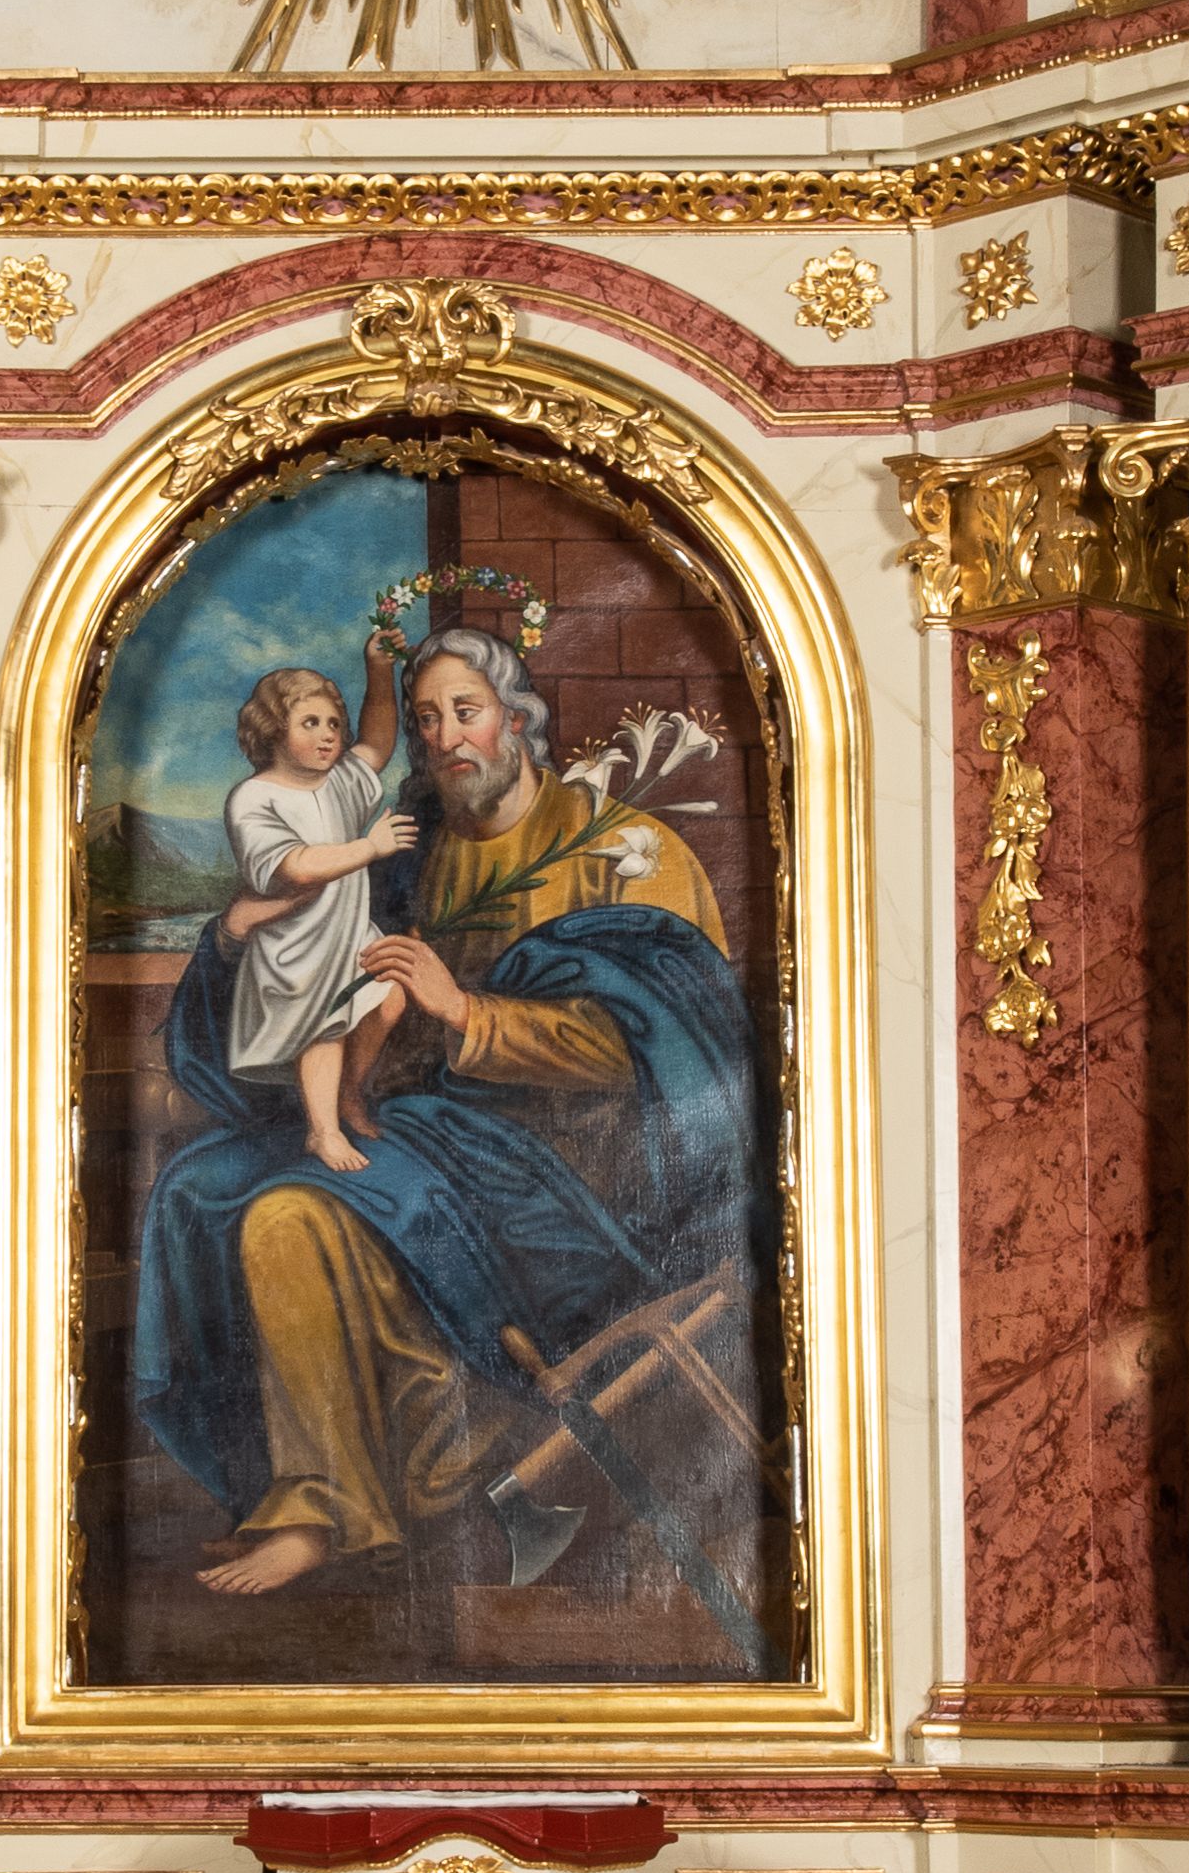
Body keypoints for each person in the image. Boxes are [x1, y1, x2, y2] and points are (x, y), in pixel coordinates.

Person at [134, 625, 769, 1614]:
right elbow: (302, 961)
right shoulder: (409, 854)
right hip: (435, 1138)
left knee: (293, 1212)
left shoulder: (622, 854)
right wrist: (230, 937)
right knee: (221, 1192)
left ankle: (405, 1483)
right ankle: (341, 1497)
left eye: (463, 712)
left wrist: (467, 1011)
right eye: (424, 718)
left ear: (515, 717)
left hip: (578, 1181)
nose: (442, 737)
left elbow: (664, 1055)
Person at [221, 641, 408, 1173]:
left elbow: (378, 742)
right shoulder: (254, 798)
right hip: (296, 947)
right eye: (310, 723)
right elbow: (295, 866)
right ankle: (322, 1132)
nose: (329, 734)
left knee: (390, 998)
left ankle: (348, 1093)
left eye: (333, 723)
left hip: (347, 933)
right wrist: (370, 847)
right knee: (327, 1029)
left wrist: (378, 671)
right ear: (273, 730)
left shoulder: (341, 780)